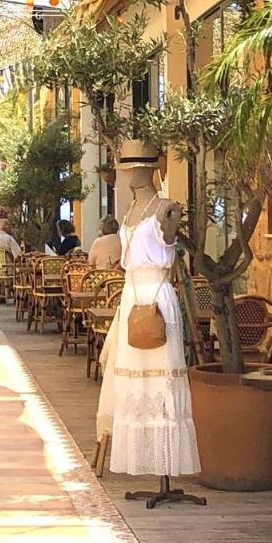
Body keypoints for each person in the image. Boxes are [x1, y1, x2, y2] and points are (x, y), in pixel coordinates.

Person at [96, 140, 198, 477]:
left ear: (148, 170)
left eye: (136, 169)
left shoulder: (165, 209)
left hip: (156, 296)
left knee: (162, 378)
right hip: (131, 297)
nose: (131, 176)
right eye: (128, 170)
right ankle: (145, 460)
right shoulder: (129, 212)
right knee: (133, 382)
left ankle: (167, 463)